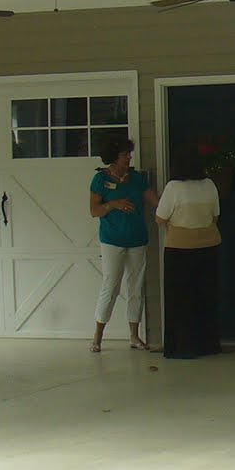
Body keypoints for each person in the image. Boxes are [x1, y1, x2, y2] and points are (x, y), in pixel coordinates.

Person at [88, 135, 157, 352]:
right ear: (114, 157)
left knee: (135, 286)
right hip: (112, 240)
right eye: (124, 154)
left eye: (129, 153)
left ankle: (134, 336)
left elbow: (154, 201)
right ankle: (97, 337)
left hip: (137, 238)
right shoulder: (100, 180)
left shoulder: (136, 178)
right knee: (111, 285)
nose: (129, 157)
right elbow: (94, 211)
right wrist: (113, 204)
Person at [155, 143, 221, 360]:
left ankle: (183, 346)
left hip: (179, 249)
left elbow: (160, 217)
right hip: (209, 246)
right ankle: (208, 344)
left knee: (180, 299)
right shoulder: (210, 185)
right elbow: (216, 215)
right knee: (206, 296)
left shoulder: (174, 187)